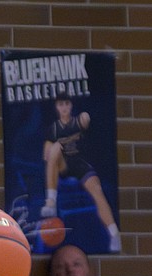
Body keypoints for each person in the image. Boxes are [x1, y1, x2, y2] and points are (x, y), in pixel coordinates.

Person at [41, 92, 121, 253]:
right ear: (57, 107)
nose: (63, 107)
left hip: (81, 164)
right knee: (55, 148)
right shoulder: (54, 129)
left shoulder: (77, 122)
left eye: (66, 104)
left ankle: (114, 233)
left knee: (97, 192)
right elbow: (46, 155)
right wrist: (52, 148)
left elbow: (85, 119)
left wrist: (85, 118)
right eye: (60, 104)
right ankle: (51, 201)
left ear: (70, 106)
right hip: (63, 165)